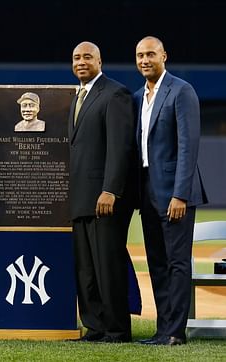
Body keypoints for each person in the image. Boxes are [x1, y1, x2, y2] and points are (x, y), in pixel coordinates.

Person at [134, 36, 207, 346]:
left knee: (177, 262)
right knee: (157, 262)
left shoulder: (181, 91)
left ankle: (175, 332)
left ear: (164, 55)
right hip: (147, 191)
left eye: (150, 53)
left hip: (175, 193)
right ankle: (162, 329)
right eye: (139, 55)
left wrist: (180, 194)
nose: (144, 59)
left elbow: (188, 146)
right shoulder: (138, 96)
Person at [68, 41, 136, 343]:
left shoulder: (115, 93)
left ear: (100, 60)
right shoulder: (77, 96)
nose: (81, 62)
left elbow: (120, 148)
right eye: (76, 58)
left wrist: (111, 189)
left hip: (104, 198)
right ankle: (95, 327)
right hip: (81, 198)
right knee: (86, 269)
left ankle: (117, 329)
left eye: (87, 57)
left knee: (108, 265)